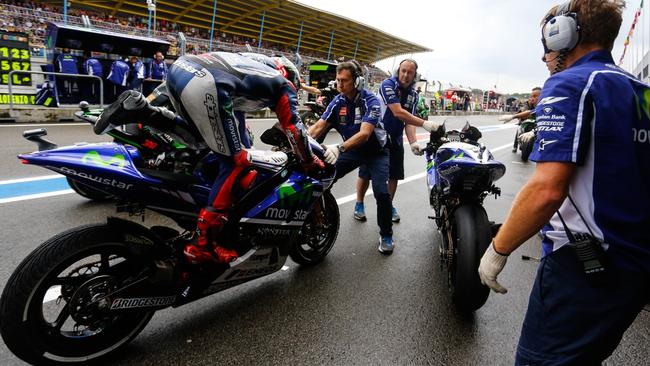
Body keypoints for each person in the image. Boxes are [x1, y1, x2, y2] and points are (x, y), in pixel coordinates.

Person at [478, 1, 650, 364]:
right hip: (634, 266)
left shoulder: (569, 83)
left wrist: (498, 249)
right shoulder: (640, 91)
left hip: (583, 268)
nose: (546, 57)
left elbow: (546, 189)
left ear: (565, 33)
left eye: (547, 43)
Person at [95, 52, 322, 264]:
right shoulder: (283, 84)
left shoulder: (246, 68)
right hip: (208, 84)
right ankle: (205, 243)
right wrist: (308, 161)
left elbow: (236, 127)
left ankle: (142, 111)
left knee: (203, 141)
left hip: (181, 70)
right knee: (236, 161)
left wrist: (242, 148)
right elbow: (293, 127)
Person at [353, 59, 439, 223]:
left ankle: (388, 206)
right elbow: (398, 112)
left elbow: (409, 121)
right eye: (403, 71)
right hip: (377, 136)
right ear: (398, 71)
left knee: (394, 175)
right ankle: (359, 203)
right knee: (365, 172)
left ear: (415, 76)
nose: (406, 75)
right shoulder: (388, 84)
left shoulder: (414, 95)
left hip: (396, 139)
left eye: (410, 72)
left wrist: (413, 142)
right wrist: (425, 123)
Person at [499, 87, 542, 152]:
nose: (532, 99)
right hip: (525, 121)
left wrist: (534, 131)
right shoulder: (526, 104)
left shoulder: (544, 107)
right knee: (519, 128)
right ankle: (515, 146)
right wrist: (513, 117)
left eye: (535, 96)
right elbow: (528, 112)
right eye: (531, 96)